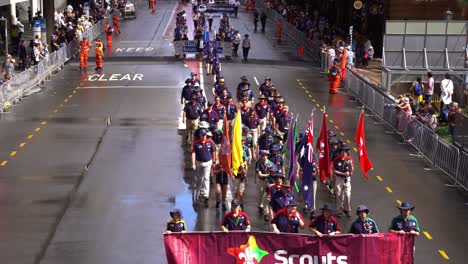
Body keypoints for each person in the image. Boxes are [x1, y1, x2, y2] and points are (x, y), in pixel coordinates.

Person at [192, 128, 217, 204]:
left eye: (205, 135)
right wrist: (193, 164)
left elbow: (214, 151)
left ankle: (206, 195)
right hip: (199, 162)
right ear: (200, 135)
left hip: (208, 162)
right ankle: (198, 193)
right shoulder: (196, 143)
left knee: (206, 178)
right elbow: (193, 153)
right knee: (199, 179)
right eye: (202, 135)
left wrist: (214, 161)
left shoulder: (210, 143)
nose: (203, 136)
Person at [332, 144, 354, 217]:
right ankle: (339, 210)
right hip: (339, 178)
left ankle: (347, 209)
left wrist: (350, 172)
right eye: (342, 151)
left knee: (347, 194)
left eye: (345, 151)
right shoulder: (336, 159)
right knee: (339, 194)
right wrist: (342, 173)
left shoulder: (349, 160)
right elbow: (334, 170)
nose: (343, 153)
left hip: (347, 179)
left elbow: (352, 170)